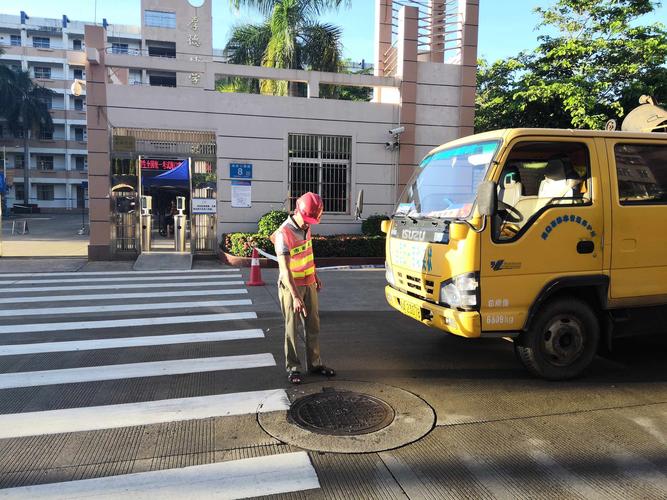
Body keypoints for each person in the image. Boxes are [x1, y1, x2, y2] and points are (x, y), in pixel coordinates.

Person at [271, 192, 335, 384]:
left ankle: (315, 364)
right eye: (307, 219)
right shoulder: (284, 234)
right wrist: (296, 296)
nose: (308, 224)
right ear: (297, 211)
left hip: (309, 283)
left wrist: (314, 274)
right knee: (292, 327)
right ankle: (293, 368)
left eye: (311, 221)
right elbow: (285, 271)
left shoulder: (306, 227)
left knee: (313, 325)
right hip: (291, 288)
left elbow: (308, 252)